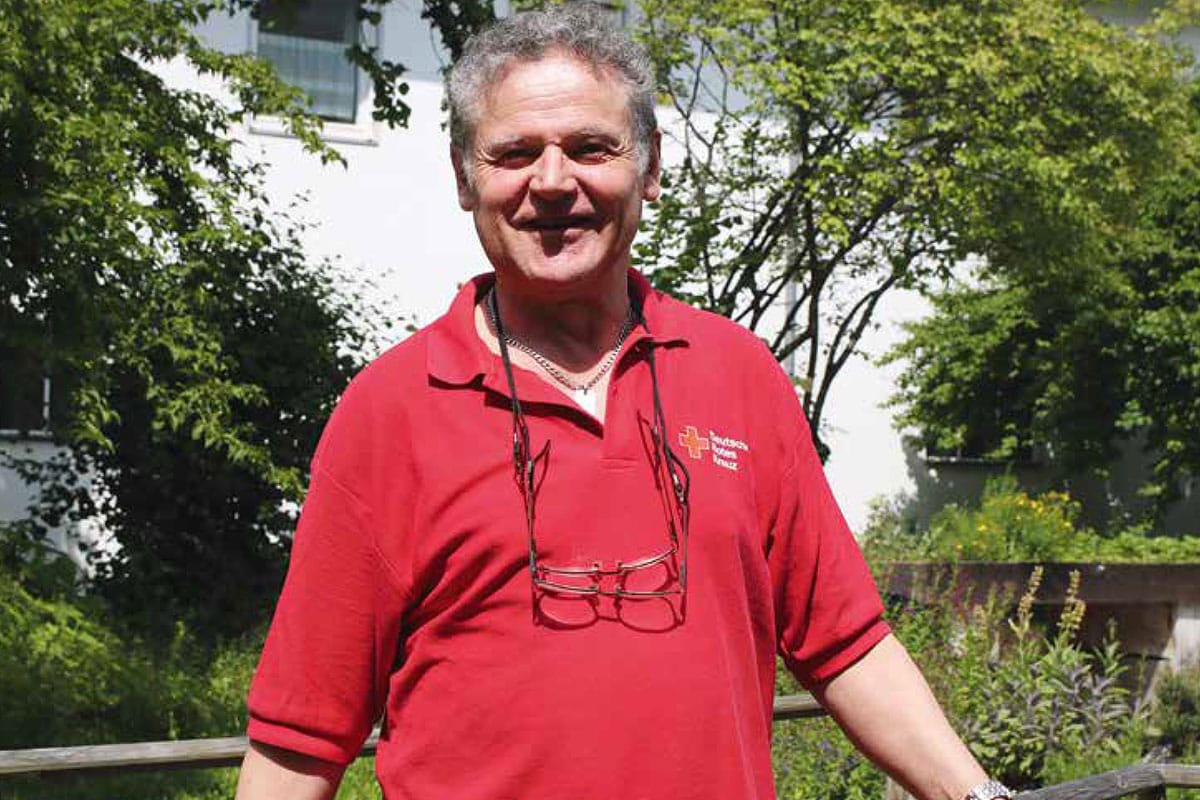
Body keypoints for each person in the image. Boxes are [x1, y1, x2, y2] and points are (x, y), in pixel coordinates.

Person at [235, 5, 1011, 800]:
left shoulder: (737, 376)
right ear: (465, 179)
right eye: (514, 153)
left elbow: (847, 643)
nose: (552, 182)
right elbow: (302, 738)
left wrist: (980, 797)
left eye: (590, 148)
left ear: (650, 168)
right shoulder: (393, 411)